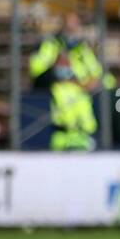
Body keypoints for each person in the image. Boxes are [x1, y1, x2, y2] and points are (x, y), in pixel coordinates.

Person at [28, 12, 113, 151]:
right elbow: (37, 70)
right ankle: (67, 135)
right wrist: (58, 69)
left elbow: (100, 74)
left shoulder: (83, 49)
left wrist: (94, 82)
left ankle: (84, 133)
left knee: (86, 96)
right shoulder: (51, 45)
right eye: (68, 25)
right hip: (59, 87)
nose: (71, 29)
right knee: (66, 92)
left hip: (83, 90)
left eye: (74, 25)